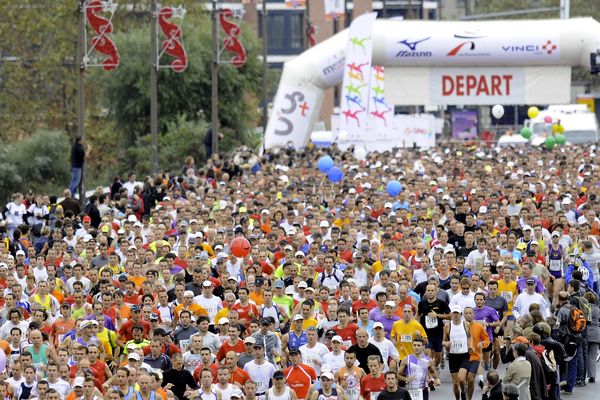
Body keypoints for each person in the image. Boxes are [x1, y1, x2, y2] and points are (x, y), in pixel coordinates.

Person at [443, 306, 473, 400]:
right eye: (454, 313)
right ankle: (457, 398)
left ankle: (463, 392)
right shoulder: (447, 326)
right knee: (456, 383)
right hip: (453, 356)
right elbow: (443, 341)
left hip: (464, 355)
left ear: (460, 314)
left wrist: (470, 346)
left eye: (457, 313)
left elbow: (470, 336)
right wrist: (446, 343)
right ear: (451, 314)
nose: (455, 315)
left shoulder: (466, 324)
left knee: (461, 378)